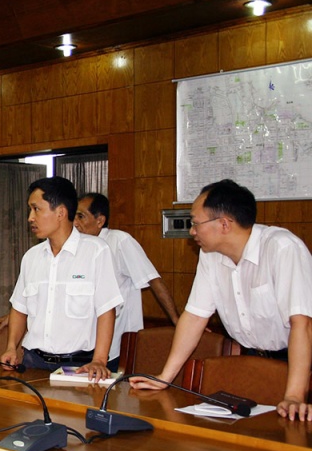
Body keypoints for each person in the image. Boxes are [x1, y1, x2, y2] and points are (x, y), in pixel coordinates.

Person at [130, 179, 312, 420]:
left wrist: (295, 395)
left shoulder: (282, 248)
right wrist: (165, 377)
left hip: (299, 364)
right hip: (251, 360)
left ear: (224, 224)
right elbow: (194, 317)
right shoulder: (210, 256)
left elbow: (302, 324)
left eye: (196, 223)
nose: (192, 231)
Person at [0, 177, 123, 381]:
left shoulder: (96, 251)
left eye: (36, 209)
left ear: (61, 213)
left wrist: (100, 360)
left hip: (79, 366)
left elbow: (106, 310)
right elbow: (20, 308)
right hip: (33, 362)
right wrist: (11, 347)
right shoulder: (31, 257)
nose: (30, 217)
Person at [74, 193, 180, 371]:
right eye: (74, 216)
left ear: (100, 221)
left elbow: (153, 280)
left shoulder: (119, 241)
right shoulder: (80, 247)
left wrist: (177, 320)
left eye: (81, 216)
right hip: (85, 345)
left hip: (118, 344)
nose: (75, 223)